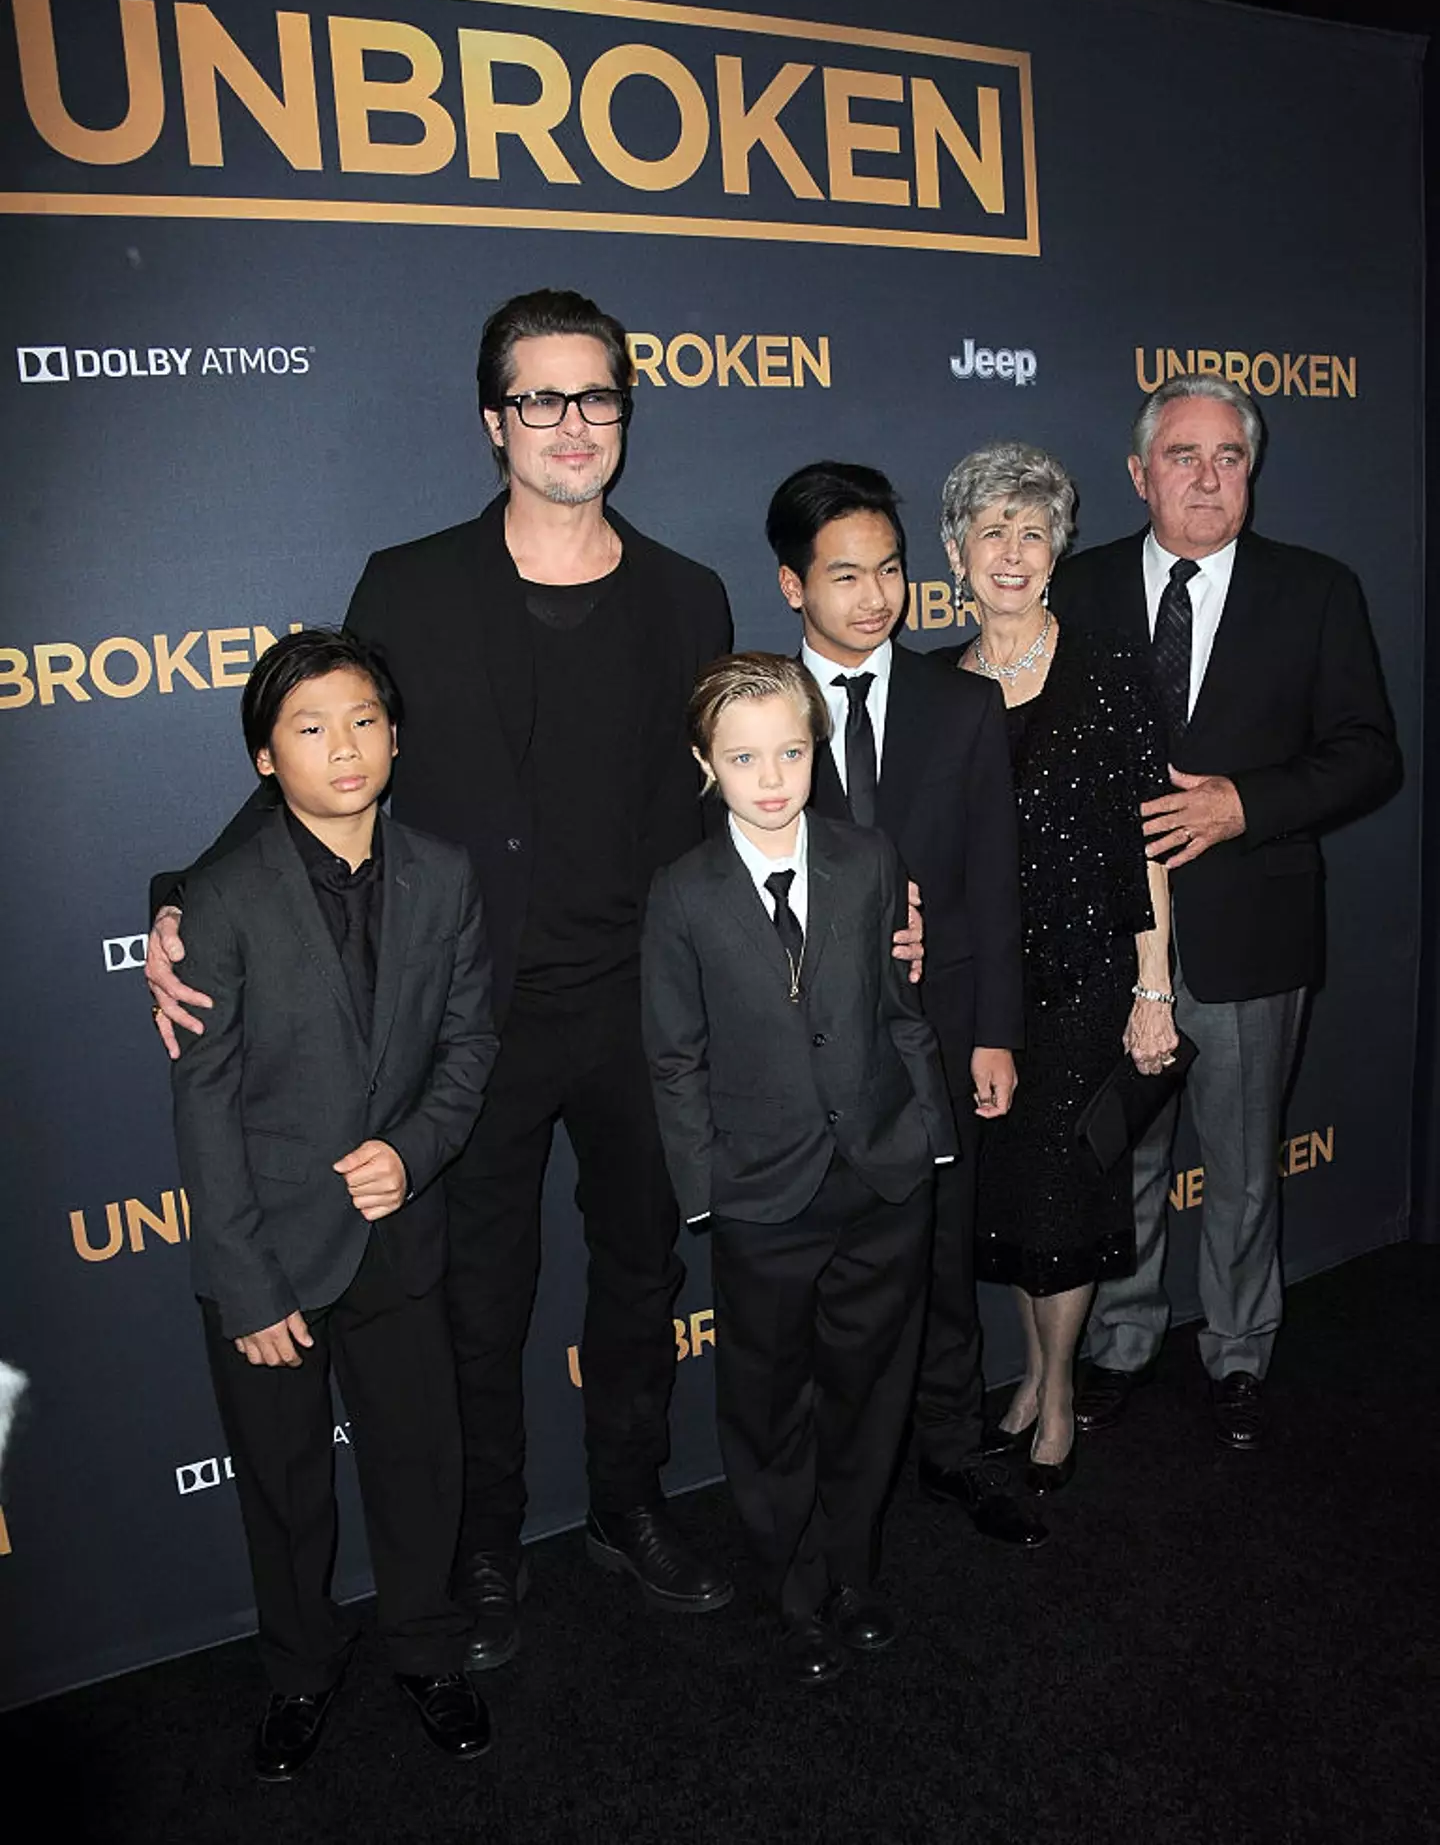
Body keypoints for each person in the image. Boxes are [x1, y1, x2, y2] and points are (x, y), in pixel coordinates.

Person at [146, 289, 737, 1670]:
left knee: (640, 1272)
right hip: (470, 1017)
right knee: (478, 1288)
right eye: (542, 398)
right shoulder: (407, 585)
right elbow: (318, 761)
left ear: (623, 416)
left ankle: (629, 1501)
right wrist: (183, 902)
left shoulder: (688, 593)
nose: (572, 422)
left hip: (643, 1004)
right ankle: (485, 1532)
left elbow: (744, 792)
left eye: (597, 396)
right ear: (493, 423)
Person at [1050, 376, 1400, 1449]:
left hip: (1253, 931)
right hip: (1114, 940)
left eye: (1229, 458)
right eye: (1183, 456)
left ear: (1252, 472)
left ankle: (1240, 1351)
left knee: (1246, 1168)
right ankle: (1119, 1343)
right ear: (1137, 473)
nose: (1207, 477)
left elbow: (1368, 754)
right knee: (1124, 1159)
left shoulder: (1317, 589)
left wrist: (1243, 804)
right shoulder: (1080, 584)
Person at [171, 629, 496, 1779]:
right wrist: (244, 1281)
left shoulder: (444, 874)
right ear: (267, 758)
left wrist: (412, 1153)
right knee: (286, 1484)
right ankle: (299, 1672)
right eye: (309, 729)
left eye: (363, 720)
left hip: (402, 1236)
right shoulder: (219, 898)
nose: (343, 747)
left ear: (396, 736)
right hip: (268, 1253)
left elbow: (468, 1046)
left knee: (419, 1462)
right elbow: (202, 1102)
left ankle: (428, 1649)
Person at [642, 654, 957, 1685]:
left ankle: (856, 1570)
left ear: (817, 748)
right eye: (743, 757)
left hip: (879, 1174)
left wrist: (930, 1134)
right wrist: (708, 1191)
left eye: (790, 750)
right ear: (705, 764)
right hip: (761, 1195)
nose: (771, 777)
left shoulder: (868, 858)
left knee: (870, 1388)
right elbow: (674, 1055)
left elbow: (900, 1011)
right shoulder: (682, 894)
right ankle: (795, 1583)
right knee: (770, 1401)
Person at [764, 462, 1044, 1547]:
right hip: (803, 1052)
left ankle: (952, 1448)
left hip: (942, 1037)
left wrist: (995, 1035)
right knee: (823, 1275)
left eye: (889, 569)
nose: (875, 596)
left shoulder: (962, 703)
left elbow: (993, 881)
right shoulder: (753, 710)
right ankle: (838, 1479)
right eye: (844, 575)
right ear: (793, 586)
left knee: (940, 1258)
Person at [940, 443, 1178, 1490]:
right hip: (984, 991)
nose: (1013, 551)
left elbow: (1147, 841)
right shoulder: (934, 689)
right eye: (992, 531)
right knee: (1010, 1197)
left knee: (1066, 1200)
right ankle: (1032, 1377)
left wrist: (1153, 986)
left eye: (1033, 532)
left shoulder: (1109, 665)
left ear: (1058, 550)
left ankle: (1057, 1386)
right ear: (955, 552)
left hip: (1088, 977)